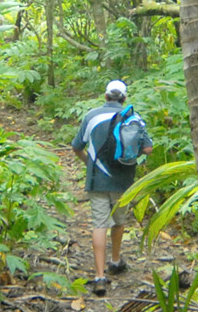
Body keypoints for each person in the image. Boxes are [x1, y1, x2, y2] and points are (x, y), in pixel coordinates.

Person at [70, 79, 153, 296]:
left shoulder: (91, 116)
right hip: (123, 180)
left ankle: (99, 276)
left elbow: (76, 146)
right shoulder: (133, 118)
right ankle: (115, 260)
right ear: (124, 98)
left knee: (99, 223)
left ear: (105, 96)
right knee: (119, 221)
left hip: (97, 179)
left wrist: (91, 164)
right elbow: (148, 148)